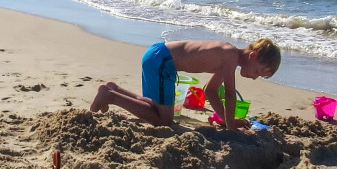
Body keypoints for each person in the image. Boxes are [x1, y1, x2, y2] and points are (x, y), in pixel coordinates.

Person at [90, 39, 281, 128]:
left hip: (157, 54)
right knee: (164, 120)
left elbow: (211, 91)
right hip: (162, 60)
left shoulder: (227, 58)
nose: (255, 77)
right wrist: (231, 127)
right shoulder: (230, 55)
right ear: (252, 55)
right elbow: (230, 93)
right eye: (257, 71)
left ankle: (114, 90)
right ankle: (110, 96)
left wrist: (225, 119)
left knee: (155, 108)